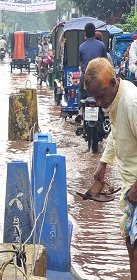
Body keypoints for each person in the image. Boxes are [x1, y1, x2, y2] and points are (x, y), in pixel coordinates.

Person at [85, 57, 137, 279]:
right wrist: (103, 164)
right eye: (94, 98)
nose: (98, 103)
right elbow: (116, 136)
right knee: (129, 241)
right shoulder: (116, 101)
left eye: (101, 96)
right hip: (130, 185)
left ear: (114, 83)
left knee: (136, 249)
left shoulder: (131, 103)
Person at [77, 22, 107, 118]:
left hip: (87, 78)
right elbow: (105, 62)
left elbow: (81, 65)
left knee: (81, 92)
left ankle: (81, 111)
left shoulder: (81, 47)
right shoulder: (101, 45)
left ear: (85, 34)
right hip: (100, 78)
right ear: (94, 33)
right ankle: (105, 111)